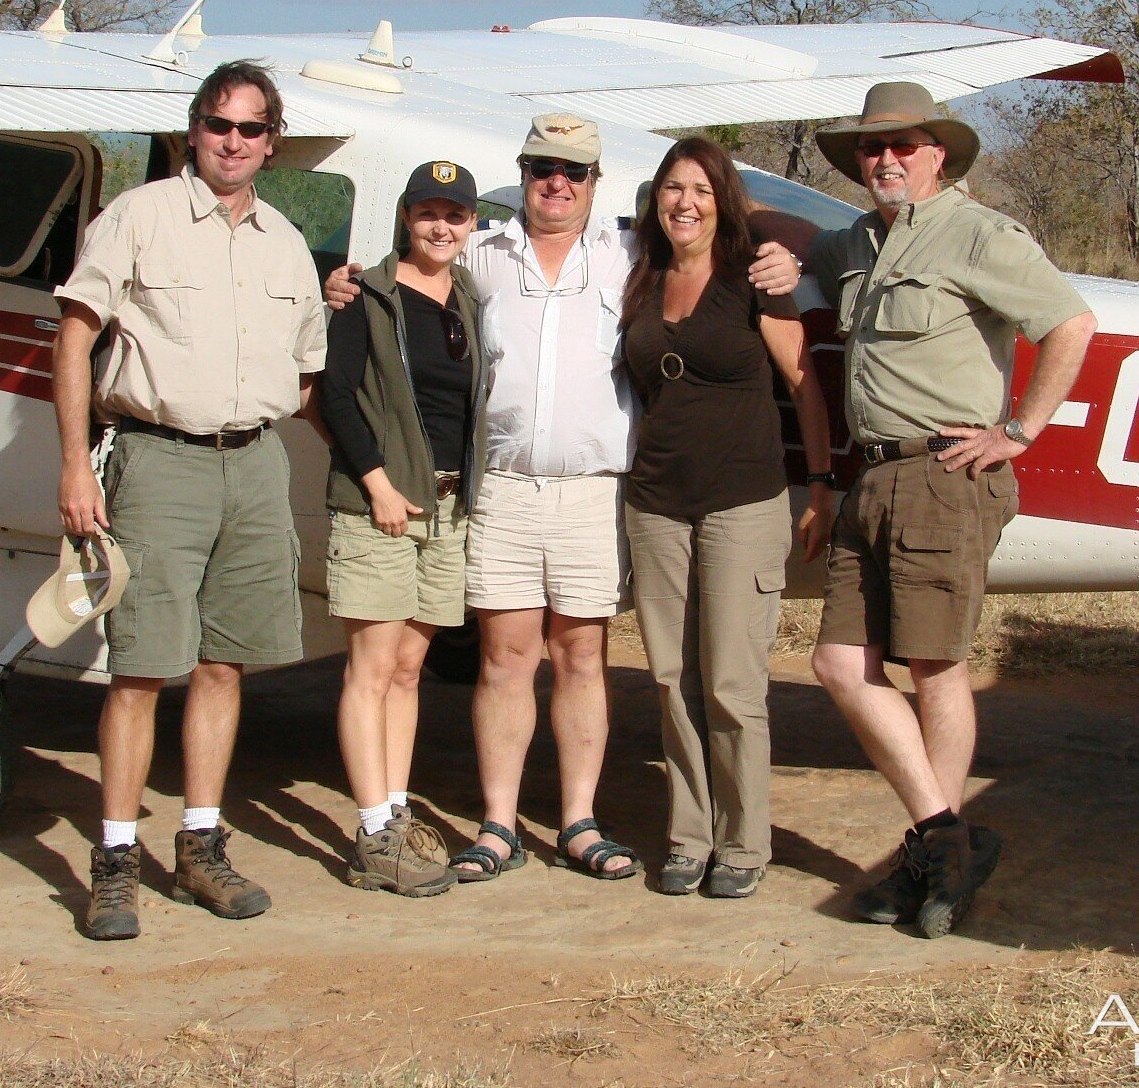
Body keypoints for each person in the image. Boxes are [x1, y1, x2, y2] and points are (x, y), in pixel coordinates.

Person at [324, 113, 799, 883]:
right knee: (505, 659)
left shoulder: (634, 253)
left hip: (595, 488)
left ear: (595, 183)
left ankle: (578, 821)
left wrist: (777, 256)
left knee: (581, 655)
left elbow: (714, 226)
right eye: (543, 166)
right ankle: (500, 825)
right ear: (524, 171)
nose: (557, 182)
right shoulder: (480, 249)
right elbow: (408, 270)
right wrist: (348, 284)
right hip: (504, 487)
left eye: (574, 171)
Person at [764, 81, 1096, 938]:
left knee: (935, 667)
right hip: (872, 476)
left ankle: (931, 860)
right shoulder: (857, 241)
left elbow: (1070, 325)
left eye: (903, 145)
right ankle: (945, 843)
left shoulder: (982, 234)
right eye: (872, 149)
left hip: (944, 473)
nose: (886, 160)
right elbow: (801, 255)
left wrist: (1017, 430)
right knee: (839, 664)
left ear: (938, 154)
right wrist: (774, 262)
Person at [53, 59, 327, 942]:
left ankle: (200, 847)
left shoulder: (286, 243)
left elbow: (311, 377)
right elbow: (75, 339)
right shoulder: (138, 217)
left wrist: (385, 466)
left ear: (271, 143)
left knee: (223, 665)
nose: (233, 142)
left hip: (255, 465)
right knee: (139, 669)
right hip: (158, 458)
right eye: (218, 124)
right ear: (194, 129)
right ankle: (115, 860)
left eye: (250, 129)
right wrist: (73, 465)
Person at [620, 137, 835, 899]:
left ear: (725, 202)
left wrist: (819, 480)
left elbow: (803, 381)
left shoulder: (757, 277)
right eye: (673, 189)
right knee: (672, 679)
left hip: (742, 501)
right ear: (656, 200)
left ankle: (744, 842)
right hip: (655, 505)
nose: (686, 204)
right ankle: (688, 835)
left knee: (734, 685)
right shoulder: (640, 277)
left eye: (703, 191)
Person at [319, 161, 486, 899]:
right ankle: (372, 831)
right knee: (371, 669)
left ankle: (394, 807)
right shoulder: (367, 295)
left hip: (448, 510)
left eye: (455, 215)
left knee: (410, 670)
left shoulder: (471, 300)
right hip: (382, 507)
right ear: (406, 220)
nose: (440, 227)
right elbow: (337, 394)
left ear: (473, 225)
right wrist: (378, 483)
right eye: (427, 213)